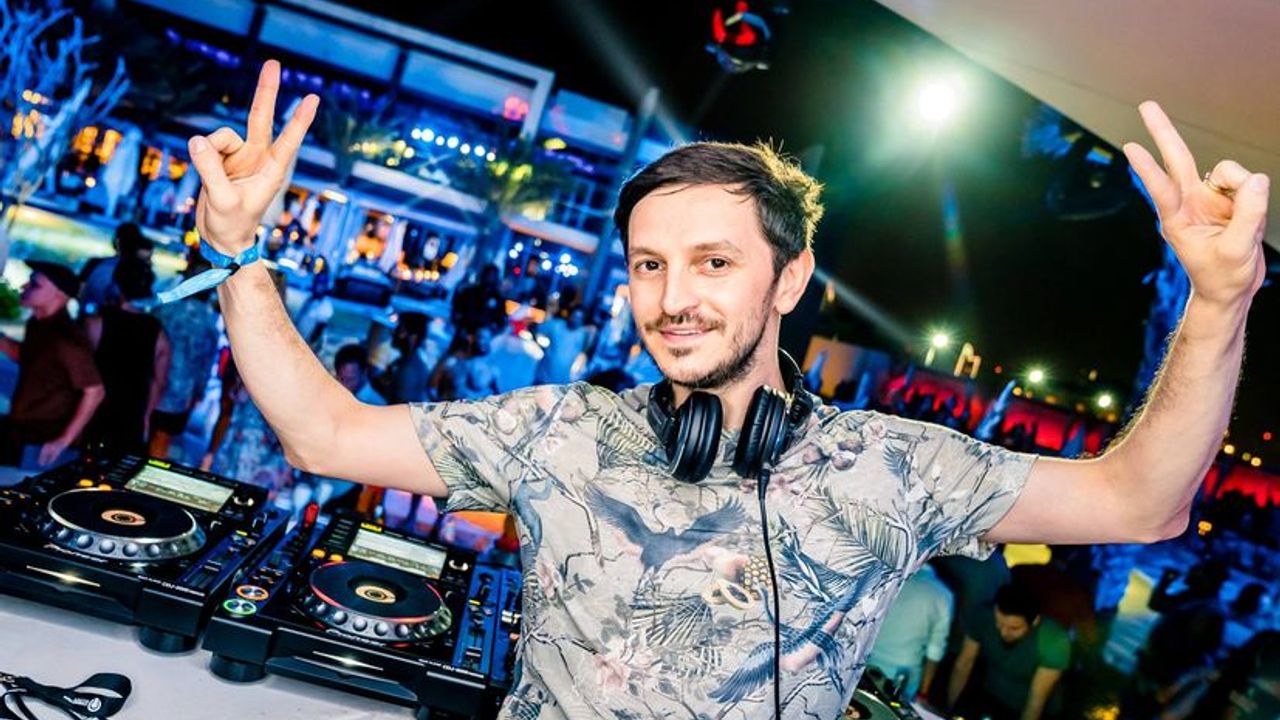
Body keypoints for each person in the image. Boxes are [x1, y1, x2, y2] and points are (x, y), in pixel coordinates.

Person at [183, 60, 1268, 718]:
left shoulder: (892, 468)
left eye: (713, 262)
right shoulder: (559, 427)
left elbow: (1140, 503)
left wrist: (1216, 304)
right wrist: (240, 256)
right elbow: (325, 436)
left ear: (789, 279)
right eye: (649, 265)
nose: (672, 299)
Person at [0, 262, 104, 467]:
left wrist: (62, 441)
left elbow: (95, 391)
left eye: (35, 285)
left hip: (42, 438)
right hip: (20, 427)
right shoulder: (38, 324)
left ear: (59, 295)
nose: (24, 287)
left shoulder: (66, 339)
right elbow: (29, 357)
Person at [946, 582, 1072, 720]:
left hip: (1030, 709)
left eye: (1014, 628)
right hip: (990, 694)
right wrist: (950, 710)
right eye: (999, 624)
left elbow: (1036, 700)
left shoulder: (1053, 642)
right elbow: (963, 665)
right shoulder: (983, 616)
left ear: (1035, 621)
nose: (1004, 633)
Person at [83, 260, 170, 455]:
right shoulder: (157, 332)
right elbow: (159, 381)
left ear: (117, 285)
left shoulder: (96, 322)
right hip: (132, 413)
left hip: (96, 409)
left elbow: (84, 368)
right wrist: (146, 416)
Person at [148, 255, 220, 459]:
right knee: (161, 441)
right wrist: (198, 393)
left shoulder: (163, 310)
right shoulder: (209, 325)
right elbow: (205, 366)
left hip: (150, 383)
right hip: (180, 393)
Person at [866, 562, 953, 701]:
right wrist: (923, 693)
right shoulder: (943, 595)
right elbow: (935, 653)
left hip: (865, 666)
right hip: (902, 678)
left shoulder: (885, 575)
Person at [78, 222, 153, 313]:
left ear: (117, 241)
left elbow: (80, 292)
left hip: (91, 312)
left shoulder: (95, 263)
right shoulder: (141, 272)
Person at [534, 306, 596, 384]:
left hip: (562, 382)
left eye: (580, 318)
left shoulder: (582, 335)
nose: (576, 320)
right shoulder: (556, 325)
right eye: (575, 316)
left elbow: (586, 351)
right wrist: (541, 346)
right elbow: (538, 330)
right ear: (569, 315)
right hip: (543, 376)